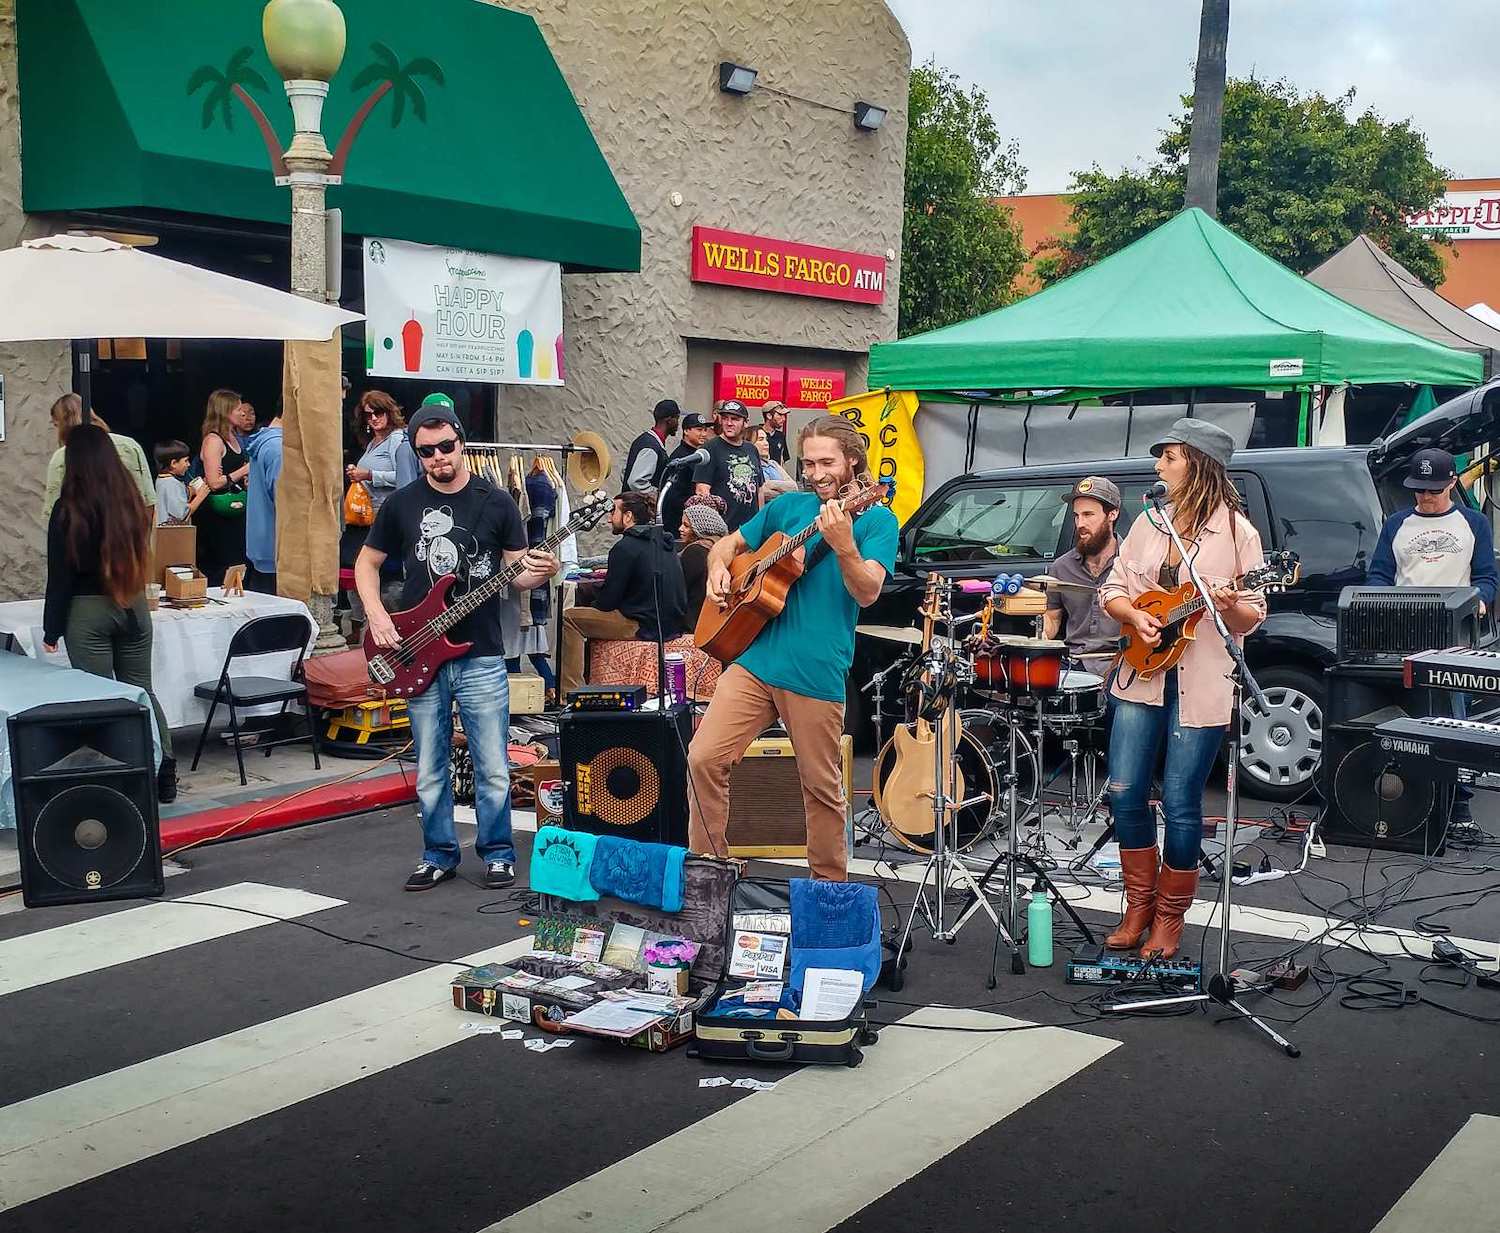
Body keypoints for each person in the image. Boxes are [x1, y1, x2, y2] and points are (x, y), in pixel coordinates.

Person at [358, 402, 559, 892]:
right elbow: (367, 564)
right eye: (426, 451)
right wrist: (378, 617)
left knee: (492, 764)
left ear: (462, 444)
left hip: (481, 653)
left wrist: (543, 570)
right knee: (429, 766)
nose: (437, 458)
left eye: (446, 447)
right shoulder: (401, 504)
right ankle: (438, 853)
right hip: (416, 648)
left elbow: (518, 574)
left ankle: (497, 853)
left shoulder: (497, 502)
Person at [689, 414, 898, 880]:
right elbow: (726, 544)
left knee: (820, 789)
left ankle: (828, 891)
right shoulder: (787, 509)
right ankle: (708, 874)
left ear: (852, 462)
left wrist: (844, 546)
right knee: (704, 757)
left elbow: (868, 591)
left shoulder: (877, 519)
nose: (816, 473)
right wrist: (717, 572)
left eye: (827, 462)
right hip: (756, 658)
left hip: (815, 669)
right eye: (808, 463)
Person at [1099, 419, 1267, 960]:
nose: (1158, 466)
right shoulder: (1149, 522)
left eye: (1168, 457)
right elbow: (1114, 587)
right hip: (1141, 672)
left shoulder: (1238, 533)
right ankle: (1136, 906)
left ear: (1196, 463)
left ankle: (1169, 919)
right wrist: (1134, 616)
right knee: (1124, 791)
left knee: (1181, 800)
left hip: (1202, 681)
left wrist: (1229, 604)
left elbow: (1253, 615)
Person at [43, 424, 176, 803]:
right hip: (132, 602)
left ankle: (118, 774)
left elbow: (61, 575)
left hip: (87, 608)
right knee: (142, 691)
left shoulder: (68, 509)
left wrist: (51, 629)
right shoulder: (131, 501)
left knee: (101, 698)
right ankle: (164, 769)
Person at [1367, 446, 1496, 823]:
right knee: (1405, 717)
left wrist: (1480, 601)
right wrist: (1379, 604)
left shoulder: (1474, 524)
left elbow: (1486, 576)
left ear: (1452, 483)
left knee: (1453, 720)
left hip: (1453, 640)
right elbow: (1378, 575)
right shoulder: (1396, 525)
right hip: (1403, 635)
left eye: (1433, 491)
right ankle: (1409, 800)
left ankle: (1459, 805)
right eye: (1419, 490)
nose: (1425, 497)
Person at [558, 490, 687, 697]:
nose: (609, 519)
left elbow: (607, 603)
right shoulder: (665, 544)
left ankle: (569, 693)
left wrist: (593, 596)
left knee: (570, 618)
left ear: (628, 516)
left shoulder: (624, 547)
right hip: (670, 623)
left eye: (613, 513)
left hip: (643, 625)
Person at [1042, 476, 1124, 676]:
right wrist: (1041, 636)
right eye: (1077, 516)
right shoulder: (1062, 567)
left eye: (1088, 515)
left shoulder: (1133, 562)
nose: (1080, 523)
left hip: (1123, 661)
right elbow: (1053, 619)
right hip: (1075, 664)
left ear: (1112, 514)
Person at [43, 394, 155, 518]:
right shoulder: (130, 446)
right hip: (127, 528)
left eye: (56, 425)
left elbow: (54, 512)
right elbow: (148, 501)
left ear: (63, 423)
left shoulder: (62, 456)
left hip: (83, 530)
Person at [195, 389, 255, 587]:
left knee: (238, 560)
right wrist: (243, 470)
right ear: (226, 411)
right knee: (223, 563)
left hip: (236, 508)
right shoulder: (213, 440)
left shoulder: (234, 438)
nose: (242, 414)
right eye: (238, 409)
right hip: (218, 513)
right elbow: (214, 482)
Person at [694, 398, 763, 532]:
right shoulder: (710, 448)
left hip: (750, 530)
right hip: (723, 530)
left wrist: (760, 523)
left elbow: (759, 490)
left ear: (746, 423)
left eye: (735, 419)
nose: (729, 423)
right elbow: (702, 491)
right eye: (725, 418)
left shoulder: (751, 449)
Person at [346, 390, 409, 513]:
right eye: (368, 415)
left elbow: (404, 477)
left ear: (388, 413)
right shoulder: (372, 442)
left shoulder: (396, 438)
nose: (373, 418)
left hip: (387, 511)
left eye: (378, 413)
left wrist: (369, 475)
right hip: (368, 511)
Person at [243, 406, 283, 594]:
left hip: (263, 547)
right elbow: (284, 501)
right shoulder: (279, 448)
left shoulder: (265, 441)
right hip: (277, 550)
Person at [659, 411, 715, 539]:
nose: (703, 434)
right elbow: (673, 497)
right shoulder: (680, 458)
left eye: (705, 430)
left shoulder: (699, 455)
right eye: (699, 430)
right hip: (678, 526)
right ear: (686, 431)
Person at [678, 494, 728, 628]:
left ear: (699, 529)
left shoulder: (694, 552)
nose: (680, 529)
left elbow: (679, 590)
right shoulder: (723, 549)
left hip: (693, 621)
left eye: (686, 526)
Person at [622, 398, 680, 493]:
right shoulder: (651, 447)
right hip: (636, 506)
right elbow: (635, 482)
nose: (678, 423)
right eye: (677, 418)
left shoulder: (643, 440)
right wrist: (657, 495)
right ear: (669, 420)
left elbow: (625, 472)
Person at [153, 440, 209, 526]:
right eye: (186, 461)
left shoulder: (162, 479)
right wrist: (200, 496)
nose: (189, 464)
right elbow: (182, 514)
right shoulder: (171, 483)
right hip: (172, 534)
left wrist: (193, 489)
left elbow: (177, 497)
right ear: (174, 463)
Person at [760, 400, 791, 468]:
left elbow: (782, 460)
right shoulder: (756, 433)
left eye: (784, 415)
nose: (784, 419)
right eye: (780, 415)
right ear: (769, 415)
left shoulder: (780, 436)